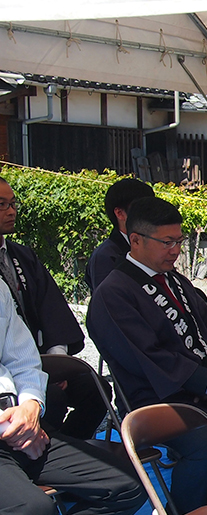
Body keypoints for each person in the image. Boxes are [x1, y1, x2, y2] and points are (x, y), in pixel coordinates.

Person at [87, 197, 207, 513]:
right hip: (156, 398)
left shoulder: (174, 280)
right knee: (204, 444)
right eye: (167, 242)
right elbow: (144, 357)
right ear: (135, 240)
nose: (175, 250)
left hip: (203, 387)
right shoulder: (113, 293)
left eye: (178, 240)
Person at [1, 282, 146, 515]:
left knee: (126, 483)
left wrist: (31, 408)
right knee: (32, 512)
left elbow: (23, 359)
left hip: (20, 421)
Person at [0, 177, 106, 439]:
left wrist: (57, 361)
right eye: (2, 205)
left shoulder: (22, 256)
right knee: (53, 398)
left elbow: (51, 309)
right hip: (8, 370)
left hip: (35, 357)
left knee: (97, 390)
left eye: (13, 204)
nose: (11, 211)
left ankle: (68, 445)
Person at [85, 177, 155, 292]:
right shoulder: (105, 256)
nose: (150, 215)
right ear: (120, 213)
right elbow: (108, 302)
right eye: (141, 209)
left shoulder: (154, 247)